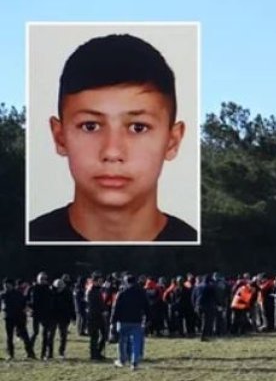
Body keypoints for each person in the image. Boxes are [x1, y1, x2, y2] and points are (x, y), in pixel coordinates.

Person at [27, 34, 196, 243]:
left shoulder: (205, 249)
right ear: (60, 137)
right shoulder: (18, 241)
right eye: (90, 126)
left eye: (138, 127)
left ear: (173, 141)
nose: (112, 152)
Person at [111, 274, 150, 369]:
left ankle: (122, 360)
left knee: (122, 341)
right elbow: (146, 307)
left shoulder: (122, 292)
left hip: (123, 320)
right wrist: (148, 318)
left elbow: (116, 308)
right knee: (136, 342)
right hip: (136, 320)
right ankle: (134, 362)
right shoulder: (141, 292)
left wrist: (113, 321)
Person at [1, 279, 36, 360]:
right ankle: (11, 354)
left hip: (19, 317)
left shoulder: (18, 294)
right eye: (5, 285)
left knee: (25, 336)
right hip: (8, 318)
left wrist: (27, 311)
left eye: (8, 285)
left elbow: (24, 304)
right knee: (9, 337)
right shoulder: (3, 295)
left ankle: (30, 353)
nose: (6, 286)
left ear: (12, 285)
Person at [28, 272, 53, 358]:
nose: (43, 280)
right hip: (36, 313)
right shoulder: (33, 288)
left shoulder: (48, 289)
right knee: (35, 332)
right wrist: (29, 308)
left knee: (45, 334)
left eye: (45, 279)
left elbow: (51, 301)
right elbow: (27, 299)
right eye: (41, 278)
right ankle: (30, 350)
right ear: (38, 279)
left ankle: (43, 353)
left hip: (46, 313)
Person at [50, 277, 76, 358]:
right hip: (53, 316)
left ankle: (61, 351)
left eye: (60, 287)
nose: (59, 289)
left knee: (63, 335)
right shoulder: (51, 292)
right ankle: (49, 353)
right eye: (57, 287)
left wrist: (73, 317)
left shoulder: (68, 292)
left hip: (64, 316)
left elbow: (71, 305)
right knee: (50, 335)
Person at [85, 271, 108, 360]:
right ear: (94, 281)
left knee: (103, 335)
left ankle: (97, 352)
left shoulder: (98, 290)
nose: (101, 283)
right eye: (100, 281)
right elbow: (93, 305)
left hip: (100, 316)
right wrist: (102, 311)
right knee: (94, 336)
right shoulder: (91, 291)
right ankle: (94, 353)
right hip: (94, 316)